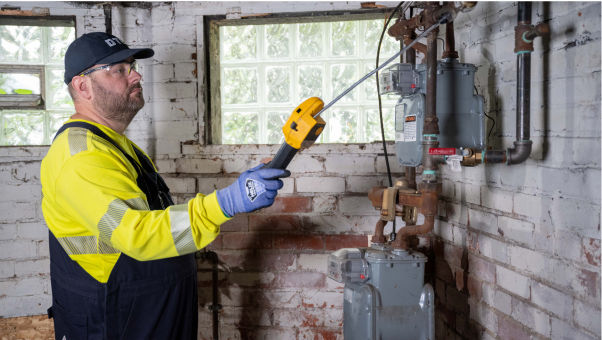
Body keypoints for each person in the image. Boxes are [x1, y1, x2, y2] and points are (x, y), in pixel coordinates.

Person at [40, 32, 289, 340]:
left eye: (131, 65)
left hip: (148, 308)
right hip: (115, 321)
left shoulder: (115, 146)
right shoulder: (79, 156)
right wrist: (226, 202)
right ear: (82, 86)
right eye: (120, 69)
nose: (136, 74)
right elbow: (138, 234)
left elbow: (154, 223)